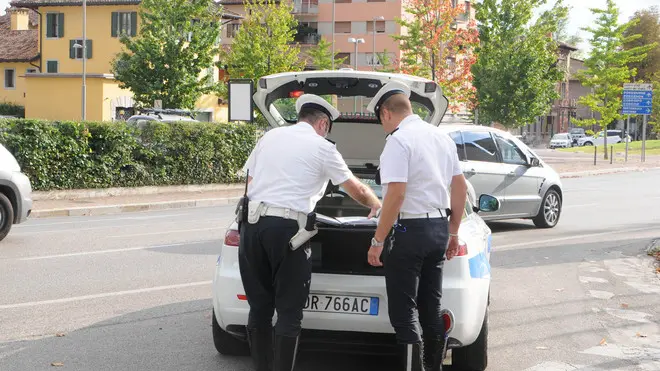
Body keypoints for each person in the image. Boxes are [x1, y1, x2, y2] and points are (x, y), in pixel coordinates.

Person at [239, 94, 382, 371]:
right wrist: (378, 205)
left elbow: (251, 182)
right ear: (323, 124)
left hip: (252, 226)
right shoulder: (322, 148)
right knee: (289, 313)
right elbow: (357, 189)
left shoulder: (270, 137)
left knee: (259, 309)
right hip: (288, 233)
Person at [365, 82, 468, 371]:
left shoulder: (398, 141)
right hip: (437, 229)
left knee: (403, 314)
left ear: (386, 113)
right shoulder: (441, 138)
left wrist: (377, 241)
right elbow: (459, 187)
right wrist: (453, 232)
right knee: (430, 311)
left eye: (380, 121)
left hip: (408, 233)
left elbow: (396, 195)